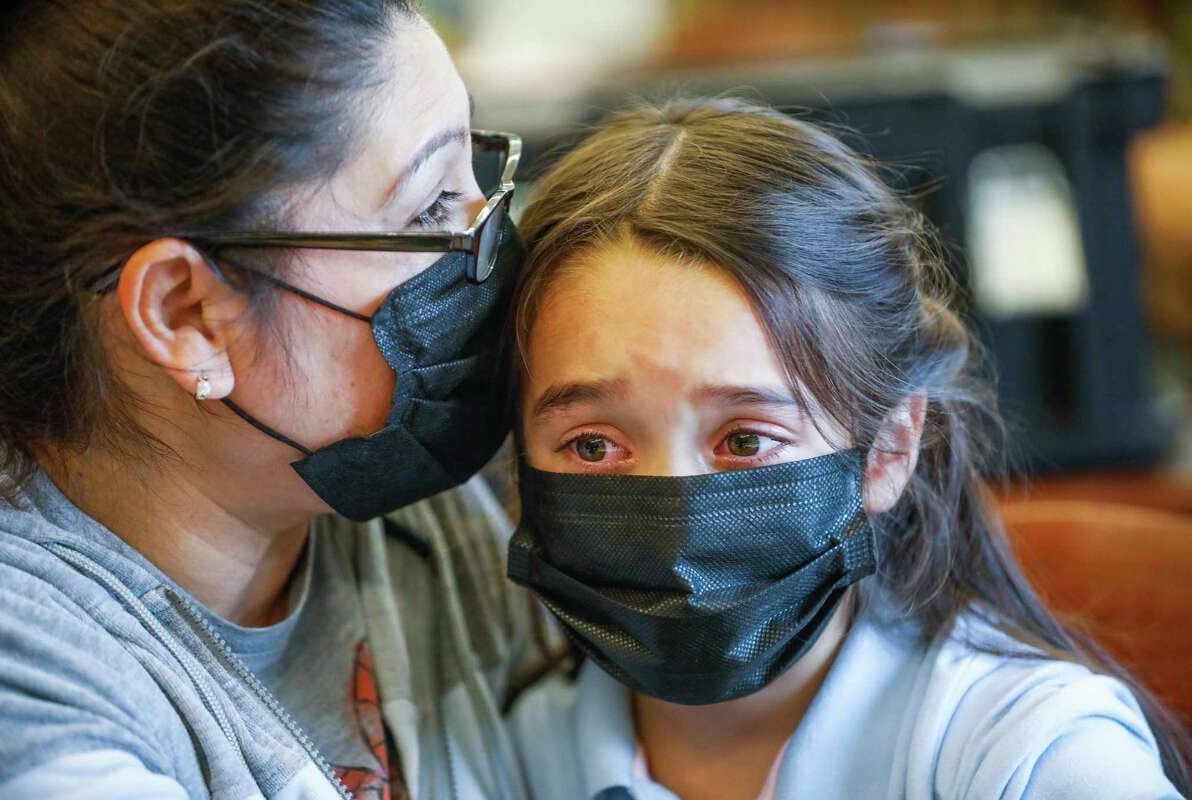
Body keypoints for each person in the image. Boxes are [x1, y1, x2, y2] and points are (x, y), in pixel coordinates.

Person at [505, 98, 1191, 800]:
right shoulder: (492, 750)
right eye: (592, 446)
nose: (674, 524)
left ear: (888, 448)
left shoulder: (1034, 756)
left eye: (745, 440)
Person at [0, 2, 541, 798]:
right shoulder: (24, 675)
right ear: (187, 314)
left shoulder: (403, 510)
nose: (486, 243)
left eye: (477, 176)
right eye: (427, 207)